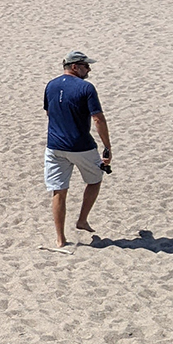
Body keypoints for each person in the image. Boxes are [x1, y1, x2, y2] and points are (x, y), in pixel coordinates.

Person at [43, 50, 113, 249]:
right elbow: (98, 119)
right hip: (81, 146)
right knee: (95, 179)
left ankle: (60, 239)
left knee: (59, 191)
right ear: (75, 67)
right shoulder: (86, 88)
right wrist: (107, 147)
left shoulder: (50, 85)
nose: (89, 69)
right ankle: (82, 219)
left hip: (54, 147)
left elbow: (49, 112)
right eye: (86, 65)